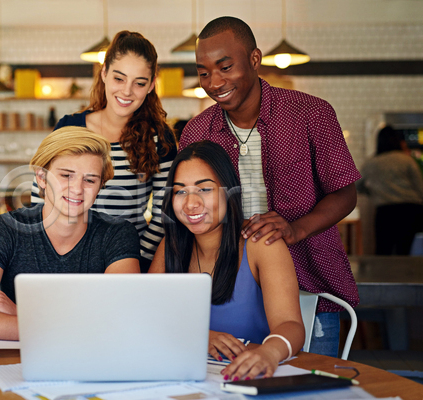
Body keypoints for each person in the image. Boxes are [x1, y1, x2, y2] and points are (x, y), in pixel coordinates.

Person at [179, 16, 361, 357]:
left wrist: (295, 229)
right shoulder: (197, 132)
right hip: (233, 291)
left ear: (254, 59)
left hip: (311, 280)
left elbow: (345, 192)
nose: (215, 82)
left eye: (225, 67)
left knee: (311, 385)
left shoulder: (311, 114)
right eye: (204, 73)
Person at [0, 127, 141, 340]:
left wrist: (21, 314)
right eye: (66, 175)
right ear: (41, 178)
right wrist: (68, 326)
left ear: (100, 186)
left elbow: (120, 318)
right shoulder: (7, 229)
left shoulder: (117, 235)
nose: (77, 188)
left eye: (90, 180)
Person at [149, 141, 304, 380]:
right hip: (189, 379)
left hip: (251, 379)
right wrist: (200, 336)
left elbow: (291, 325)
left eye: (205, 189)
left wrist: (269, 352)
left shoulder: (259, 243)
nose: (191, 203)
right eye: (180, 191)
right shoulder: (170, 246)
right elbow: (146, 317)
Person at [31, 30, 177, 272]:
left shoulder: (159, 137)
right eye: (119, 79)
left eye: (139, 83)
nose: (127, 91)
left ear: (151, 86)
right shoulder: (70, 127)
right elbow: (41, 200)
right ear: (105, 73)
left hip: (130, 261)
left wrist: (129, 260)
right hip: (67, 259)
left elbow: (164, 217)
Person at [357, 126, 423, 255]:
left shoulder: (372, 163)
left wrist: (372, 192)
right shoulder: (407, 160)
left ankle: (381, 276)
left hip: (385, 211)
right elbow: (420, 186)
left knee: (383, 250)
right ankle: (406, 275)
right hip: (411, 210)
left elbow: (357, 186)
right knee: (405, 251)